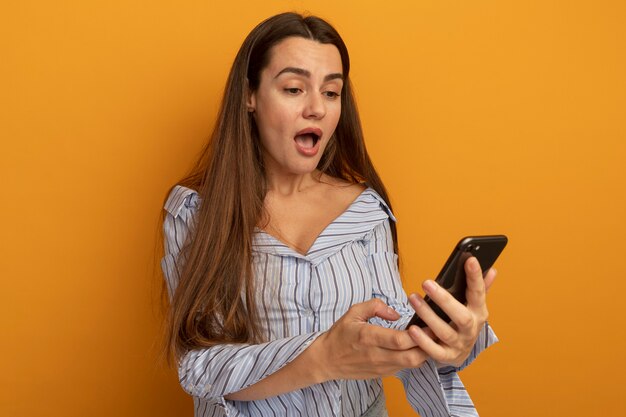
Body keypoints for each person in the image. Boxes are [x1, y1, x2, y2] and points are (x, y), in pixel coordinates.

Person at [160, 12, 498, 417]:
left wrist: (446, 343)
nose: (317, 108)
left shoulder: (367, 210)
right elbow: (198, 367)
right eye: (293, 88)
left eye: (332, 92)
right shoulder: (195, 213)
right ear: (249, 96)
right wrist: (322, 357)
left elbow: (387, 335)